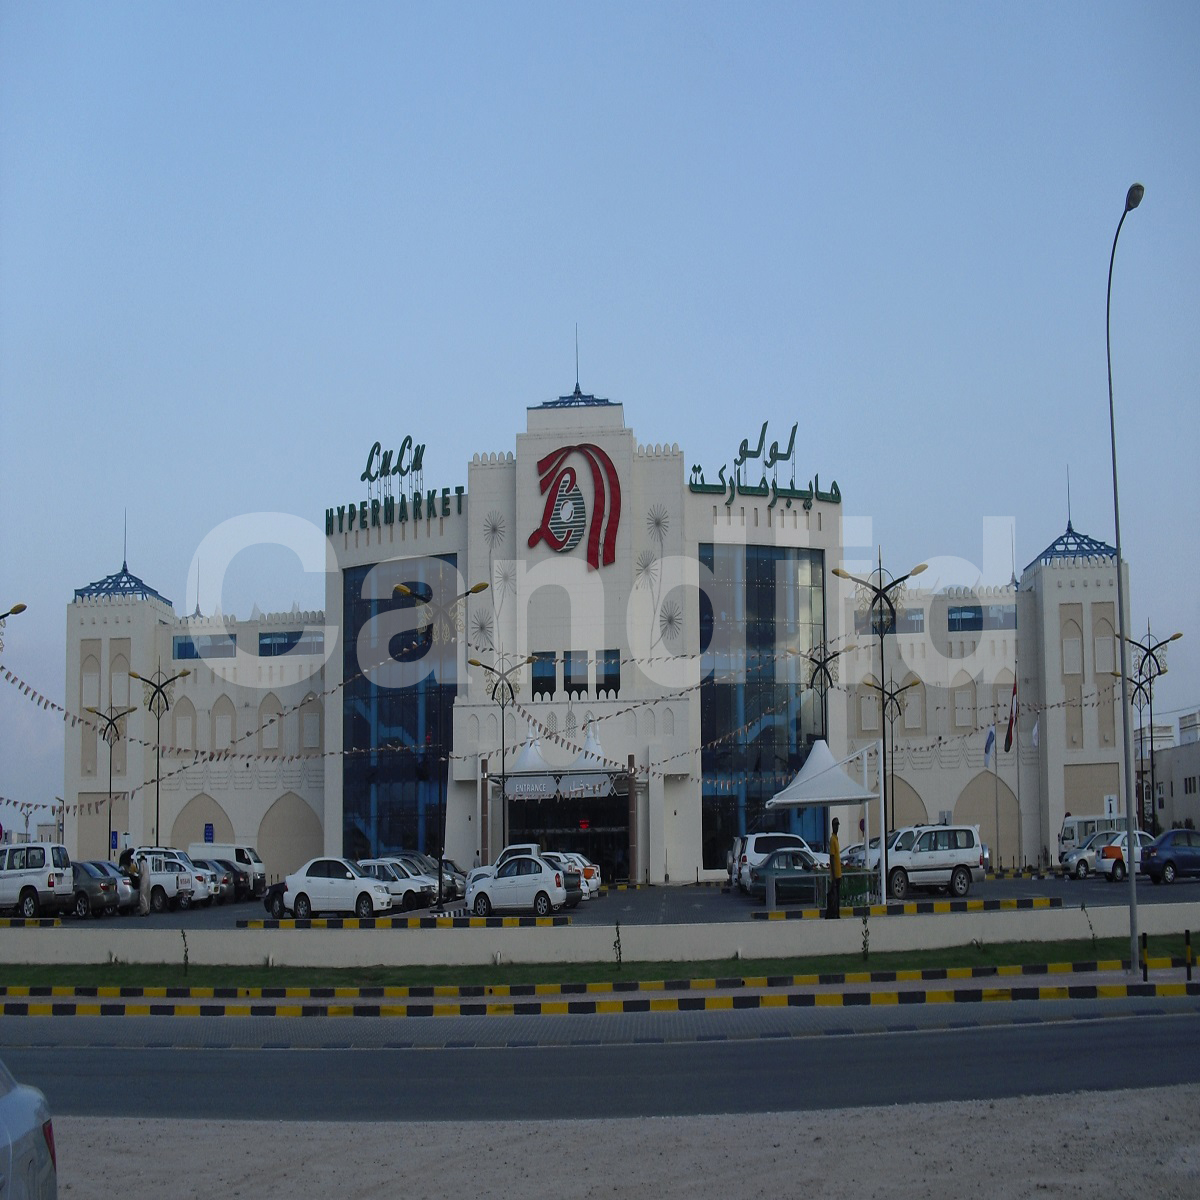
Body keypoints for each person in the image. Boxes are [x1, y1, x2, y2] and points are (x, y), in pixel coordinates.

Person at [826, 818, 842, 919]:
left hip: (838, 873)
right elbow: (832, 857)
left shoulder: (836, 839)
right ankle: (833, 913)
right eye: (835, 825)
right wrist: (833, 875)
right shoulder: (832, 840)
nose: (836, 827)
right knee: (834, 896)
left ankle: (836, 913)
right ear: (832, 826)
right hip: (835, 874)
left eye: (837, 825)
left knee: (836, 895)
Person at [137, 852, 152, 916]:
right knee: (147, 895)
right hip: (148, 880)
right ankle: (148, 910)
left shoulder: (141, 863)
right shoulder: (146, 863)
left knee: (142, 896)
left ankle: (143, 911)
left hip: (143, 880)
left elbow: (141, 872)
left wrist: (139, 877)